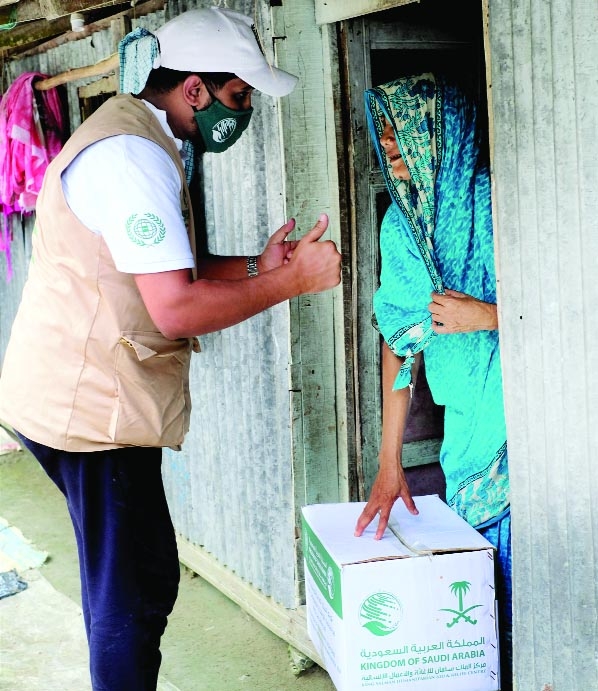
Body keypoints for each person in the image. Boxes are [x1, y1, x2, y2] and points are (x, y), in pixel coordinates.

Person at [0, 7, 341, 691]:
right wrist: (293, 282)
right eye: (237, 97)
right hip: (90, 411)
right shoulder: (130, 158)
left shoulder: (139, 138)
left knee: (133, 572)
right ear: (193, 89)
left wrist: (258, 265)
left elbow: (163, 267)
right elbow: (177, 305)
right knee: (133, 590)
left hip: (80, 396)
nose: (240, 114)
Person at [353, 73, 511, 688]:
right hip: (467, 438)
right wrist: (389, 461)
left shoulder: (503, 204)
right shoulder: (402, 226)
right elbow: (401, 346)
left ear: (442, 132)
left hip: (536, 430)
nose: (389, 147)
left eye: (404, 132)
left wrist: (490, 316)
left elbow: (575, 307)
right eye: (383, 136)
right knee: (482, 607)